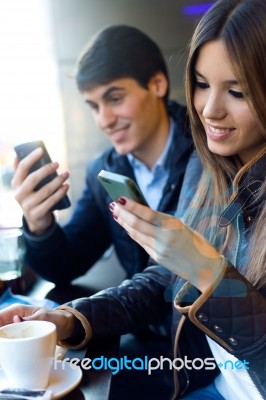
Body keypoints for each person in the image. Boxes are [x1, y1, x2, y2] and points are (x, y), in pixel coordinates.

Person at [2, 0, 265, 399]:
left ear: (157, 85)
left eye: (236, 91)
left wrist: (204, 268)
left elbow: (187, 271)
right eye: (201, 84)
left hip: (193, 362)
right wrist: (69, 316)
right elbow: (163, 274)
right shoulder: (213, 167)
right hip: (192, 366)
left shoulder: (199, 154)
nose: (210, 110)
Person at [11, 24, 192, 301]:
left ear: (157, 84)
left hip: (207, 335)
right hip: (143, 334)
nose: (104, 120)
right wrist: (40, 225)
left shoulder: (207, 151)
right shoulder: (104, 171)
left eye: (115, 99)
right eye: (94, 106)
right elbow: (66, 264)